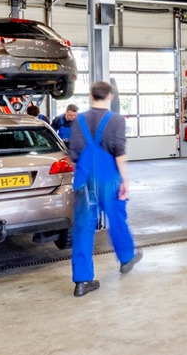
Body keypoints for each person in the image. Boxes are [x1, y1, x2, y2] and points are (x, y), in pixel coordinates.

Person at [67, 82, 140, 297]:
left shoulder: (79, 120)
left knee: (83, 227)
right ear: (110, 96)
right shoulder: (116, 120)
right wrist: (124, 180)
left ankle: (82, 281)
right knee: (116, 219)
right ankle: (126, 258)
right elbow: (119, 152)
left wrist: (82, 177)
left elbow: (73, 155)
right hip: (109, 179)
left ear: (91, 96)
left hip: (84, 179)